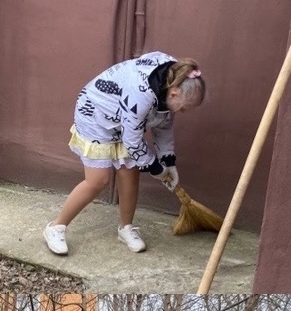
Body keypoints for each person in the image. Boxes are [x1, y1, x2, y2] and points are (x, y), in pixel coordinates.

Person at [44, 52, 207, 257]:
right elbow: (132, 141)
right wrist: (155, 167)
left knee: (130, 173)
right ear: (173, 94)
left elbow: (163, 125)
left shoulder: (177, 76)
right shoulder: (142, 95)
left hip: (127, 120)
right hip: (97, 114)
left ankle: (126, 228)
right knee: (98, 180)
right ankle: (56, 227)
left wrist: (168, 160)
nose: (182, 112)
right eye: (183, 108)